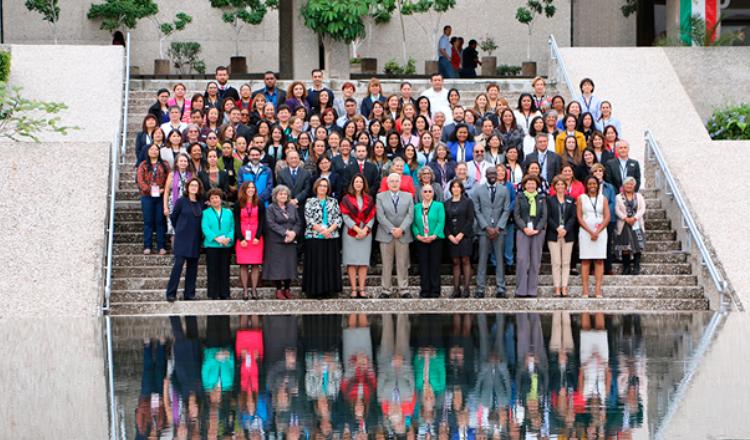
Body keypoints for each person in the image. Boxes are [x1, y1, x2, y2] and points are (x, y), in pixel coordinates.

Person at [471, 166, 511, 298]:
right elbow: (476, 210)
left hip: (499, 230)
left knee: (500, 259)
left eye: (494, 173)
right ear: (485, 175)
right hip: (484, 230)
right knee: (482, 259)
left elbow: (506, 210)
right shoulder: (478, 190)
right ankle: (480, 288)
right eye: (490, 173)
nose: (493, 175)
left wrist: (499, 227)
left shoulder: (504, 190)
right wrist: (486, 226)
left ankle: (501, 288)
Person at [303, 178, 343, 299]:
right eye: (320, 186)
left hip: (331, 237)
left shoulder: (333, 201)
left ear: (328, 188)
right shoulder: (310, 201)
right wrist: (321, 230)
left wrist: (329, 230)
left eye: (325, 186)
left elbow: (338, 218)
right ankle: (316, 291)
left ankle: (330, 290)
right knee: (317, 265)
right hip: (314, 237)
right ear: (316, 187)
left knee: (330, 264)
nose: (322, 188)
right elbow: (308, 219)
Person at [376, 173, 414, 298]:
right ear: (387, 183)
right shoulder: (380, 197)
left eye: (396, 181)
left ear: (400, 182)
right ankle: (386, 289)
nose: (394, 183)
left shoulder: (408, 196)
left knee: (402, 263)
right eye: (391, 181)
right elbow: (380, 216)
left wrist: (401, 229)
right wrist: (392, 229)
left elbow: (410, 215)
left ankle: (403, 289)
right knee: (386, 263)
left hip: (403, 234)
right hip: (386, 234)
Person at [165, 177, 203, 302]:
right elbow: (173, 217)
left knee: (193, 268)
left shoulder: (200, 203)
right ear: (187, 187)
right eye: (192, 185)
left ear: (198, 188)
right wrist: (180, 229)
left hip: (195, 238)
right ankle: (171, 293)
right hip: (182, 238)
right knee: (178, 266)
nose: (193, 187)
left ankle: (189, 294)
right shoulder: (181, 201)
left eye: (196, 186)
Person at [340, 174, 376, 298]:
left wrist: (365, 229)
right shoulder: (346, 199)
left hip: (365, 233)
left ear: (364, 184)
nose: (358, 184)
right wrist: (356, 229)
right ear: (352, 184)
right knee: (351, 262)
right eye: (356, 181)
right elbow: (345, 215)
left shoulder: (369, 199)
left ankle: (362, 289)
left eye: (361, 181)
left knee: (363, 262)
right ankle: (354, 289)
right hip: (350, 232)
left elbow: (372, 215)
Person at [263, 185, 302, 299]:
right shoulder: (270, 208)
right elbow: (271, 224)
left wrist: (293, 233)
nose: (283, 196)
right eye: (280, 194)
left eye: (285, 194)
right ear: (275, 196)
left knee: (289, 265)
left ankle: (287, 288)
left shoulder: (292, 207)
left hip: (290, 240)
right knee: (277, 266)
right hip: (276, 240)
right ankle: (279, 289)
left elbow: (298, 223)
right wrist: (285, 232)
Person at [513, 175, 547, 298]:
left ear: (536, 185)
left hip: (538, 232)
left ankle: (532, 290)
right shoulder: (520, 197)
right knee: (522, 259)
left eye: (533, 183)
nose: (531, 186)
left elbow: (544, 216)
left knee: (535, 260)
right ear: (524, 185)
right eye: (528, 183)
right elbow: (516, 215)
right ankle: (521, 290)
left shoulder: (541, 198)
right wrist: (524, 228)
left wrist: (537, 229)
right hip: (523, 231)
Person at [577, 175, 610, 297]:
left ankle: (598, 289)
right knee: (585, 260)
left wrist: (598, 231)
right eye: (590, 184)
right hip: (586, 232)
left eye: (594, 184)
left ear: (598, 185)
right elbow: (579, 217)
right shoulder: (582, 198)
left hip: (600, 232)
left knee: (599, 259)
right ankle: (585, 289)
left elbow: (607, 217)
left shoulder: (603, 199)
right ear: (586, 185)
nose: (592, 186)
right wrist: (590, 232)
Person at [412, 185, 445, 298]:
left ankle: (435, 290)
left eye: (430, 191)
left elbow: (441, 222)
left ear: (433, 193)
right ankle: (425, 290)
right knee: (423, 265)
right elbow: (414, 224)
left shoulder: (438, 206)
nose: (427, 193)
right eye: (425, 191)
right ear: (421, 193)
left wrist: (434, 235)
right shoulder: (416, 207)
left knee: (435, 265)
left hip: (435, 240)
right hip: (421, 240)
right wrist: (418, 235)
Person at [546, 176, 577, 297]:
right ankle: (557, 287)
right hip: (554, 234)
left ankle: (564, 286)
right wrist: (557, 228)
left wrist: (565, 229)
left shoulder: (571, 199)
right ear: (554, 187)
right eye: (557, 184)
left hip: (568, 234)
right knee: (556, 262)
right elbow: (548, 217)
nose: (560, 187)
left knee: (566, 262)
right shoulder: (550, 200)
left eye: (562, 184)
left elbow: (573, 217)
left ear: (566, 186)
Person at [235, 182, 266, 300]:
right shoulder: (238, 204)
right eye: (249, 187)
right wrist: (240, 238)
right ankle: (245, 290)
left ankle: (254, 289)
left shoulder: (260, 203)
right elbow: (236, 222)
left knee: (255, 264)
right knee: (243, 264)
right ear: (244, 189)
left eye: (253, 187)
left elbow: (262, 221)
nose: (251, 189)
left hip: (256, 237)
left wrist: (258, 236)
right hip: (242, 236)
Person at [444, 180, 475, 298]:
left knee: (466, 260)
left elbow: (470, 219)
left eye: (458, 187)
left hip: (465, 236)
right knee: (455, 262)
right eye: (453, 187)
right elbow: (445, 222)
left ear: (462, 189)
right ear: (450, 189)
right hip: (452, 236)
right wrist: (450, 236)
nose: (456, 189)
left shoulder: (468, 202)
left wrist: (462, 233)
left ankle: (466, 288)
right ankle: (456, 289)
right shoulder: (446, 203)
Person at [137, 144, 170, 255]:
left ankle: (161, 246)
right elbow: (140, 181)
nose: (154, 151)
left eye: (156, 149)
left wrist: (163, 190)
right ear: (148, 151)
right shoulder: (143, 165)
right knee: (148, 222)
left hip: (161, 197)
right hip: (147, 197)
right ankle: (147, 246)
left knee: (160, 221)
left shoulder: (164, 164)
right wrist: (149, 190)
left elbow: (169, 179)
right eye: (152, 149)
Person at [202, 188, 234, 300]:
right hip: (212, 245)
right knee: (212, 269)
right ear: (209, 201)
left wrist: (228, 238)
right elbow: (205, 227)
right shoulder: (205, 213)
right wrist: (216, 239)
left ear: (221, 199)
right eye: (212, 198)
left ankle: (225, 293)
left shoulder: (228, 212)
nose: (215, 200)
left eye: (216, 197)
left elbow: (232, 227)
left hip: (226, 245)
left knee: (225, 269)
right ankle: (213, 293)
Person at [615, 177, 646, 275]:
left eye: (631, 184)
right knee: (625, 246)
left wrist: (635, 218)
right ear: (623, 186)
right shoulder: (618, 197)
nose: (629, 186)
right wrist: (625, 218)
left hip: (636, 223)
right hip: (624, 224)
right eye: (627, 184)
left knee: (637, 244)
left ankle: (636, 266)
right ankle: (626, 267)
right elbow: (617, 210)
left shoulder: (639, 196)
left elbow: (642, 208)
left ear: (634, 186)